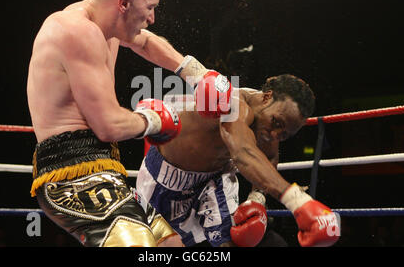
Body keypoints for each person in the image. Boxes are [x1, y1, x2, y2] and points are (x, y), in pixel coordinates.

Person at [27, 0, 230, 247]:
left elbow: (146, 41)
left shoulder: (105, 28)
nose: (152, 18)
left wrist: (196, 72)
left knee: (171, 246)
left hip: (107, 169)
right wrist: (155, 119)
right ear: (124, 2)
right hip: (70, 177)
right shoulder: (77, 30)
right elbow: (108, 126)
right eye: (149, 8)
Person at [136, 74, 341, 247]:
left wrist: (257, 197)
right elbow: (242, 152)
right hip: (163, 179)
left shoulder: (269, 124)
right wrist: (298, 202)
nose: (274, 135)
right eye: (276, 123)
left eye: (284, 134)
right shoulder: (234, 105)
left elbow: (269, 156)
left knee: (230, 241)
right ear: (266, 97)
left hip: (214, 180)